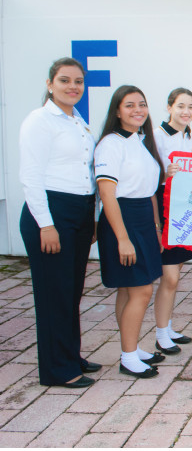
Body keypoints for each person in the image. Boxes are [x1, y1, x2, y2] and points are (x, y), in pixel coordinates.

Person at [19, 58, 101, 388]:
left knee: (71, 291)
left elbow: (86, 173)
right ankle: (57, 370)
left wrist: (91, 217)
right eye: (65, 80)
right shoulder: (40, 120)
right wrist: (46, 224)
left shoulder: (77, 121)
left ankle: (70, 355)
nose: (73, 87)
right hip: (51, 213)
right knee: (54, 293)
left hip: (78, 211)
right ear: (50, 83)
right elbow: (30, 176)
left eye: (78, 81)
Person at [95, 85, 166, 378]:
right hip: (120, 220)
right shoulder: (110, 144)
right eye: (129, 105)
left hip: (143, 220)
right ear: (117, 111)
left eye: (142, 104)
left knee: (130, 288)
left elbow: (149, 191)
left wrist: (156, 228)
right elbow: (107, 194)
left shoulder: (141, 141)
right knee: (142, 290)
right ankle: (127, 357)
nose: (137, 110)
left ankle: (132, 347)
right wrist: (123, 239)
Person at [152, 88, 192, 354]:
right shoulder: (157, 137)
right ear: (169, 106)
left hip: (184, 209)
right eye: (181, 106)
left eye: (191, 107)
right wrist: (165, 173)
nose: (186, 112)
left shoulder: (190, 138)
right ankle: (161, 334)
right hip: (164, 208)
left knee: (175, 274)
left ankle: (167, 326)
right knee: (169, 276)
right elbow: (148, 175)